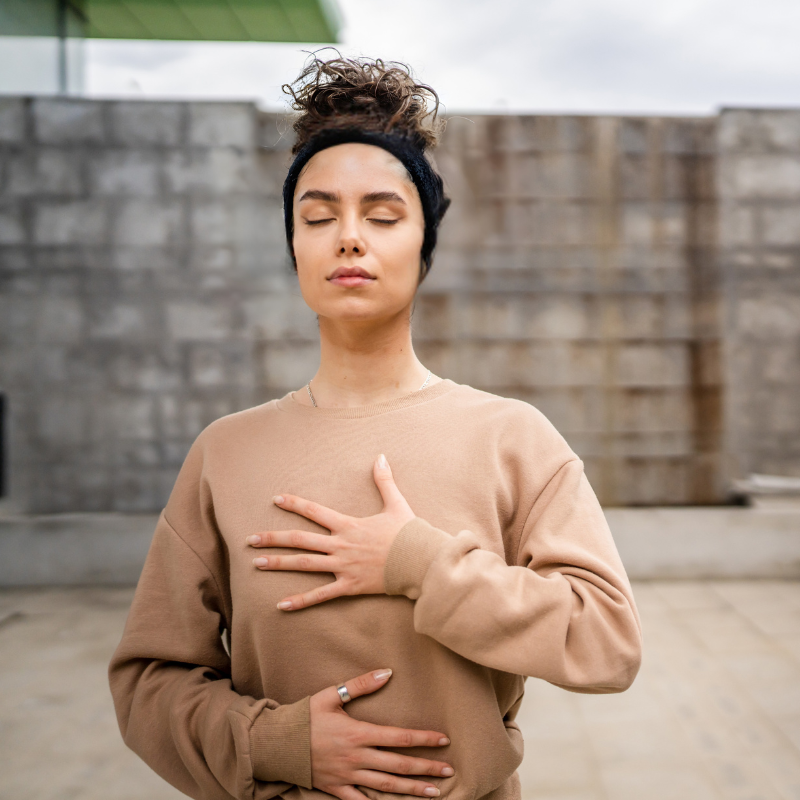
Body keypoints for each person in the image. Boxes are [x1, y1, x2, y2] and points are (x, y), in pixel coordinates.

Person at [109, 54, 642, 800]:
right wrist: (277, 744)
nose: (350, 237)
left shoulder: (512, 437)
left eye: (384, 216)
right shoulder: (225, 453)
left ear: (423, 245)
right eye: (318, 217)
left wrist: (418, 564)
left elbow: (607, 643)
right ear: (294, 247)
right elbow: (147, 683)